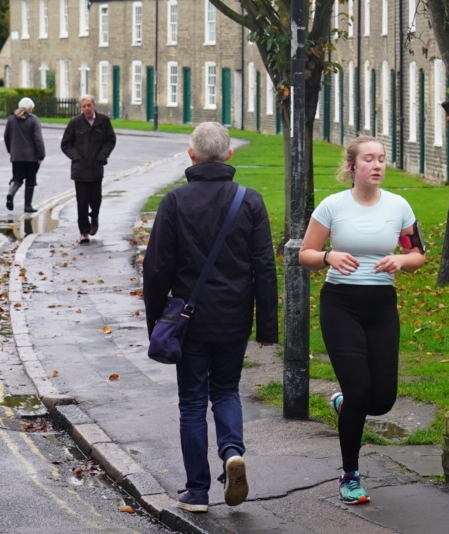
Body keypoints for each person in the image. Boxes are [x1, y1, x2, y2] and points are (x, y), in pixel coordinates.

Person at [143, 122, 276, 515]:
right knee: (226, 390)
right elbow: (264, 267)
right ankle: (232, 451)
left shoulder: (175, 202)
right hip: (234, 317)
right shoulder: (249, 201)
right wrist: (266, 325)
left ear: (191, 155)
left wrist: (157, 324)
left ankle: (197, 491)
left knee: (191, 403)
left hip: (190, 321)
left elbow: (156, 269)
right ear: (229, 155)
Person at [298, 135, 426, 505]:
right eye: (369, 159)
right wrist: (328, 258)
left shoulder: (399, 206)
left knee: (381, 399)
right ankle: (350, 474)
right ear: (353, 166)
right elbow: (305, 253)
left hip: (381, 305)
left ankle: (345, 403)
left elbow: (417, 253)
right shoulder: (332, 207)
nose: (377, 165)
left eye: (382, 159)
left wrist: (401, 261)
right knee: (359, 391)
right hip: (342, 305)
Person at [59, 94, 115, 243]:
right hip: (80, 169)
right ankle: (84, 231)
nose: (87, 109)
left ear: (94, 105)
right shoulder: (75, 123)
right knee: (82, 202)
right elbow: (66, 144)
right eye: (84, 106)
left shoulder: (103, 121)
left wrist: (102, 156)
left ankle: (94, 216)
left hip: (96, 167)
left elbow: (110, 140)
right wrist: (76, 157)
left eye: (89, 105)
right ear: (80, 108)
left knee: (96, 199)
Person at [2, 96, 46, 213]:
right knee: (30, 180)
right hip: (31, 157)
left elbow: (6, 136)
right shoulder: (33, 119)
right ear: (30, 108)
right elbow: (38, 139)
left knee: (17, 179)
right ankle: (28, 206)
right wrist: (41, 155)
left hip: (16, 156)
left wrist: (11, 151)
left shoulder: (11, 119)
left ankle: (11, 193)